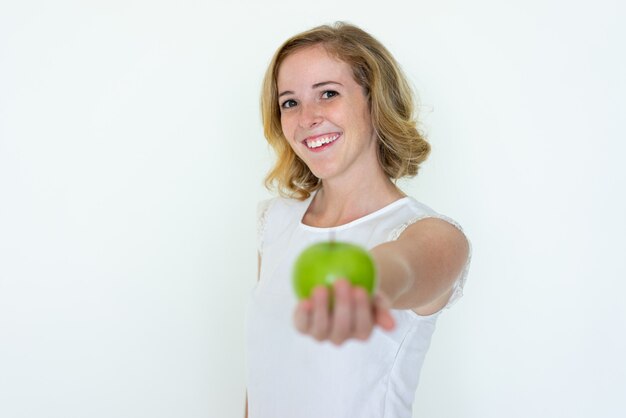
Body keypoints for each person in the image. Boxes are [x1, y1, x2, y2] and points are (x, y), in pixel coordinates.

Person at [245, 22, 471, 418]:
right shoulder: (275, 222)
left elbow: (402, 267)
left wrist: (364, 282)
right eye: (290, 102)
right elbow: (265, 381)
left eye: (328, 94)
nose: (307, 118)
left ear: (374, 100)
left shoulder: (435, 235)